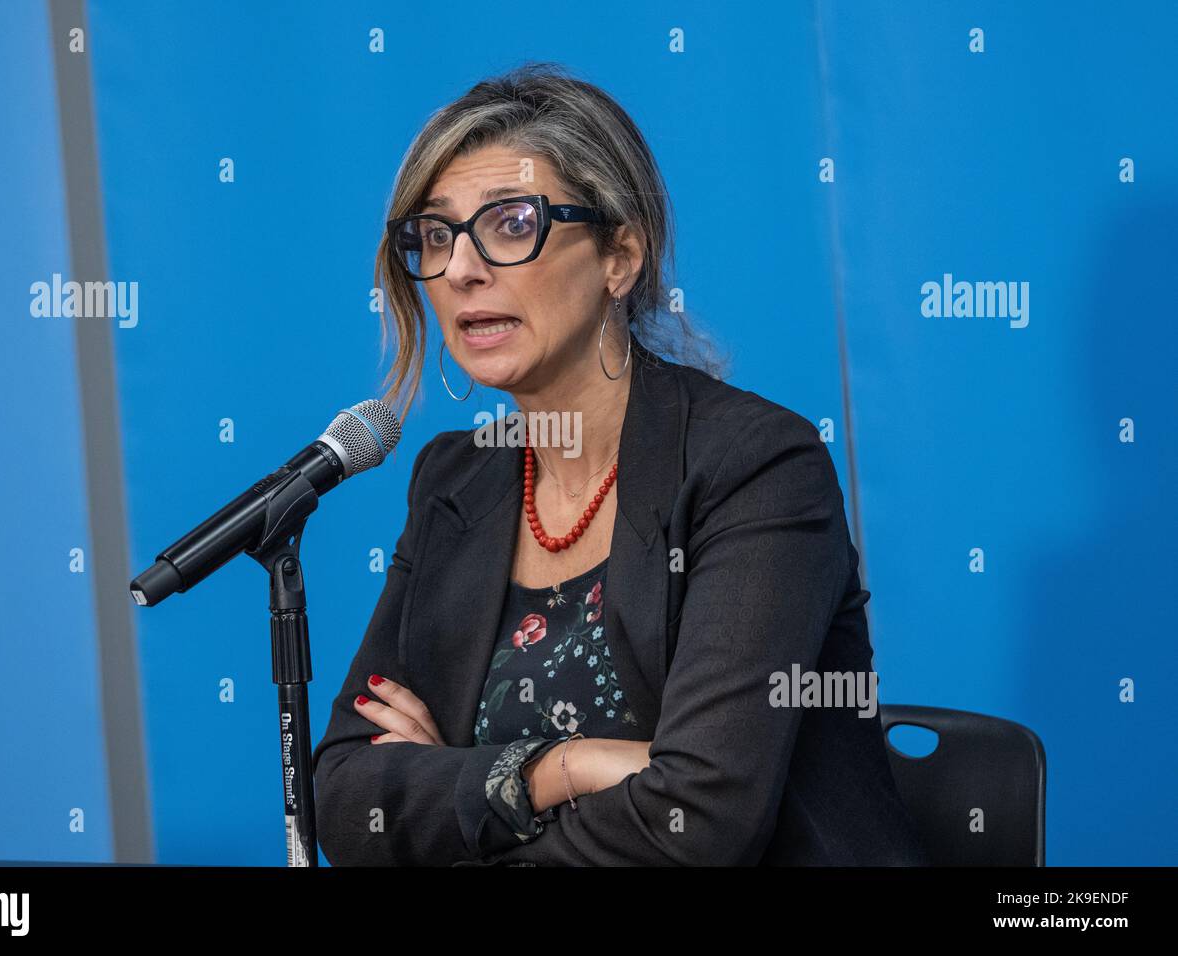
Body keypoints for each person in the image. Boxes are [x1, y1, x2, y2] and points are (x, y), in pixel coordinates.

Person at [310, 62, 927, 866]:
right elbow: (350, 802)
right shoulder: (455, 479)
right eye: (435, 234)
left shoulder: (754, 465)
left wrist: (455, 793)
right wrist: (560, 769)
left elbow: (697, 818)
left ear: (620, 257)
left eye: (509, 223)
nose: (460, 268)